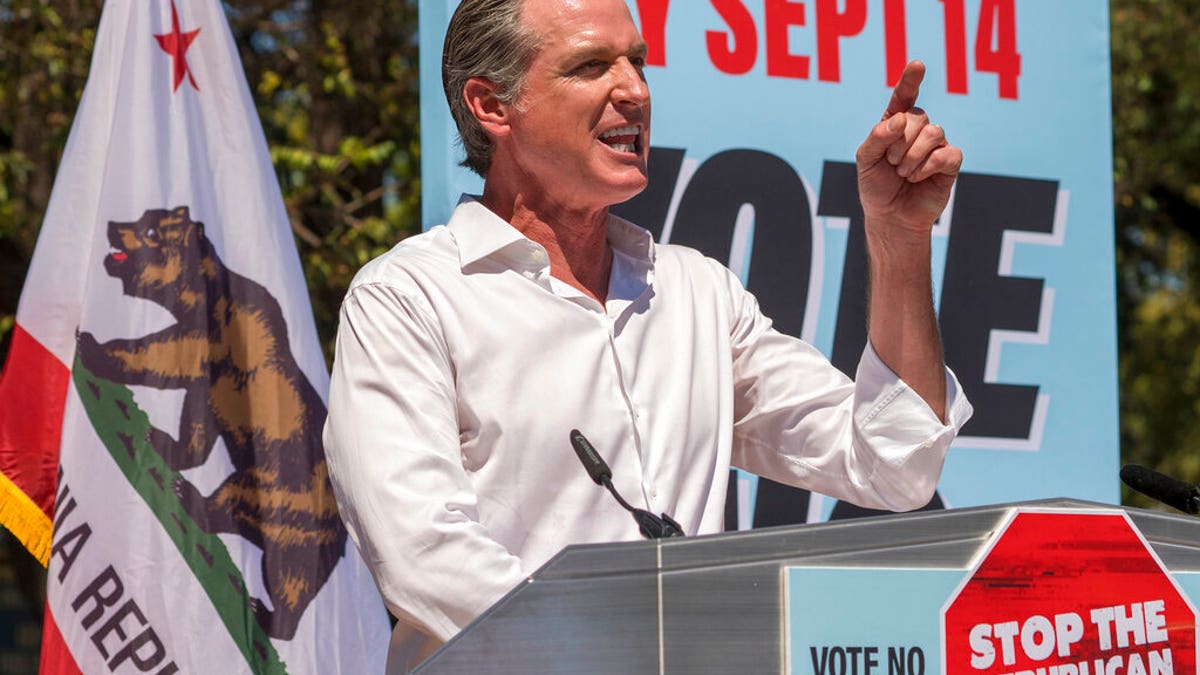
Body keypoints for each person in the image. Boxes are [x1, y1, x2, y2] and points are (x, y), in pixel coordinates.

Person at [322, 0, 973, 670]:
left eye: (638, 61)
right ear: (492, 106)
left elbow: (896, 464)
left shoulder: (697, 292)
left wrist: (899, 240)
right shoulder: (407, 296)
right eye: (591, 65)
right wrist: (643, 651)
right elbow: (425, 556)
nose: (635, 90)